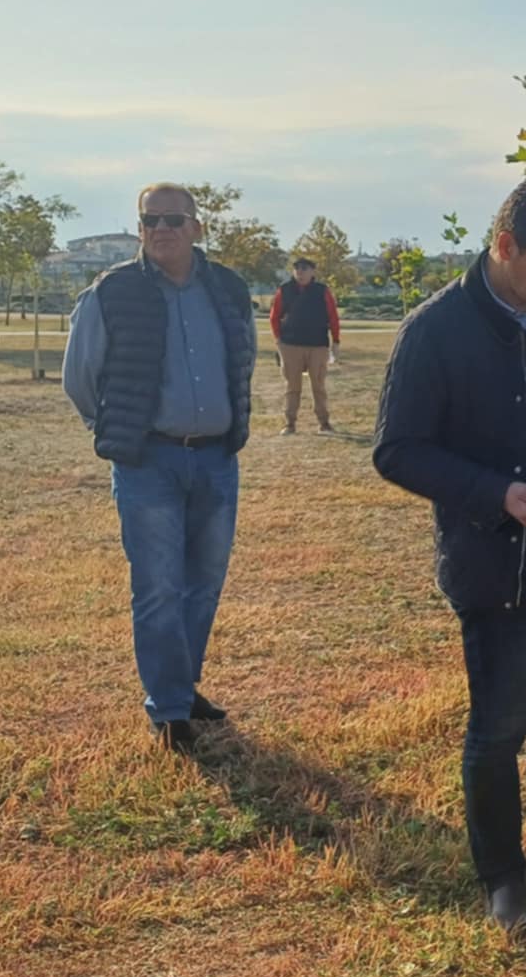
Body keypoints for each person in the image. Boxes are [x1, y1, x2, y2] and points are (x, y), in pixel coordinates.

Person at [371, 176, 526, 934]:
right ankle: (505, 880)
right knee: (501, 727)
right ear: (505, 247)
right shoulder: (434, 330)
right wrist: (493, 491)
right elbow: (397, 450)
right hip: (497, 556)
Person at [63, 182, 259, 752]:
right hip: (148, 461)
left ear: (197, 227)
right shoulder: (113, 292)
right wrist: (119, 431)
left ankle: (181, 684)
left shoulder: (226, 288)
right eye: (151, 221)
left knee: (203, 584)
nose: (162, 230)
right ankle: (171, 710)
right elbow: (80, 377)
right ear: (140, 227)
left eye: (174, 219)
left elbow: (241, 359)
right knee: (158, 587)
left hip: (217, 459)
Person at [269, 255, 340, 434]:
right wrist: (278, 339)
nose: (300, 273)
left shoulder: (322, 291)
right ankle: (290, 423)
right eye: (297, 269)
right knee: (292, 386)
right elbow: (274, 316)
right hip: (290, 344)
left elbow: (333, 316)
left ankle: (324, 423)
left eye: (304, 269)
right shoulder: (284, 290)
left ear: (312, 272)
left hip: (317, 345)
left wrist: (336, 341)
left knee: (318, 385)